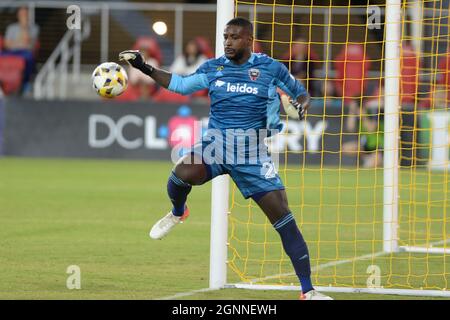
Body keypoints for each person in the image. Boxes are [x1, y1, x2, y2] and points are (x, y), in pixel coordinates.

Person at [119, 17, 332, 300]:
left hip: (252, 153)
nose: (228, 42)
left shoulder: (270, 68)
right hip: (216, 145)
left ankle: (308, 292)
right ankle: (178, 212)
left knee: (283, 218)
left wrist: (301, 107)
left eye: (234, 37)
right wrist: (144, 67)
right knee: (182, 173)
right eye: (225, 37)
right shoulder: (213, 67)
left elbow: (303, 95)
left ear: (249, 40)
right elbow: (181, 85)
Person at [2, 6, 39, 92]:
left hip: (25, 52)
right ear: (18, 15)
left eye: (25, 14)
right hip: (11, 52)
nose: (23, 16)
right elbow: (7, 44)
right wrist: (19, 43)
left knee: (29, 57)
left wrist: (24, 28)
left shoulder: (34, 28)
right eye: (21, 14)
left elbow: (27, 43)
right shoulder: (11, 27)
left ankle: (25, 82)